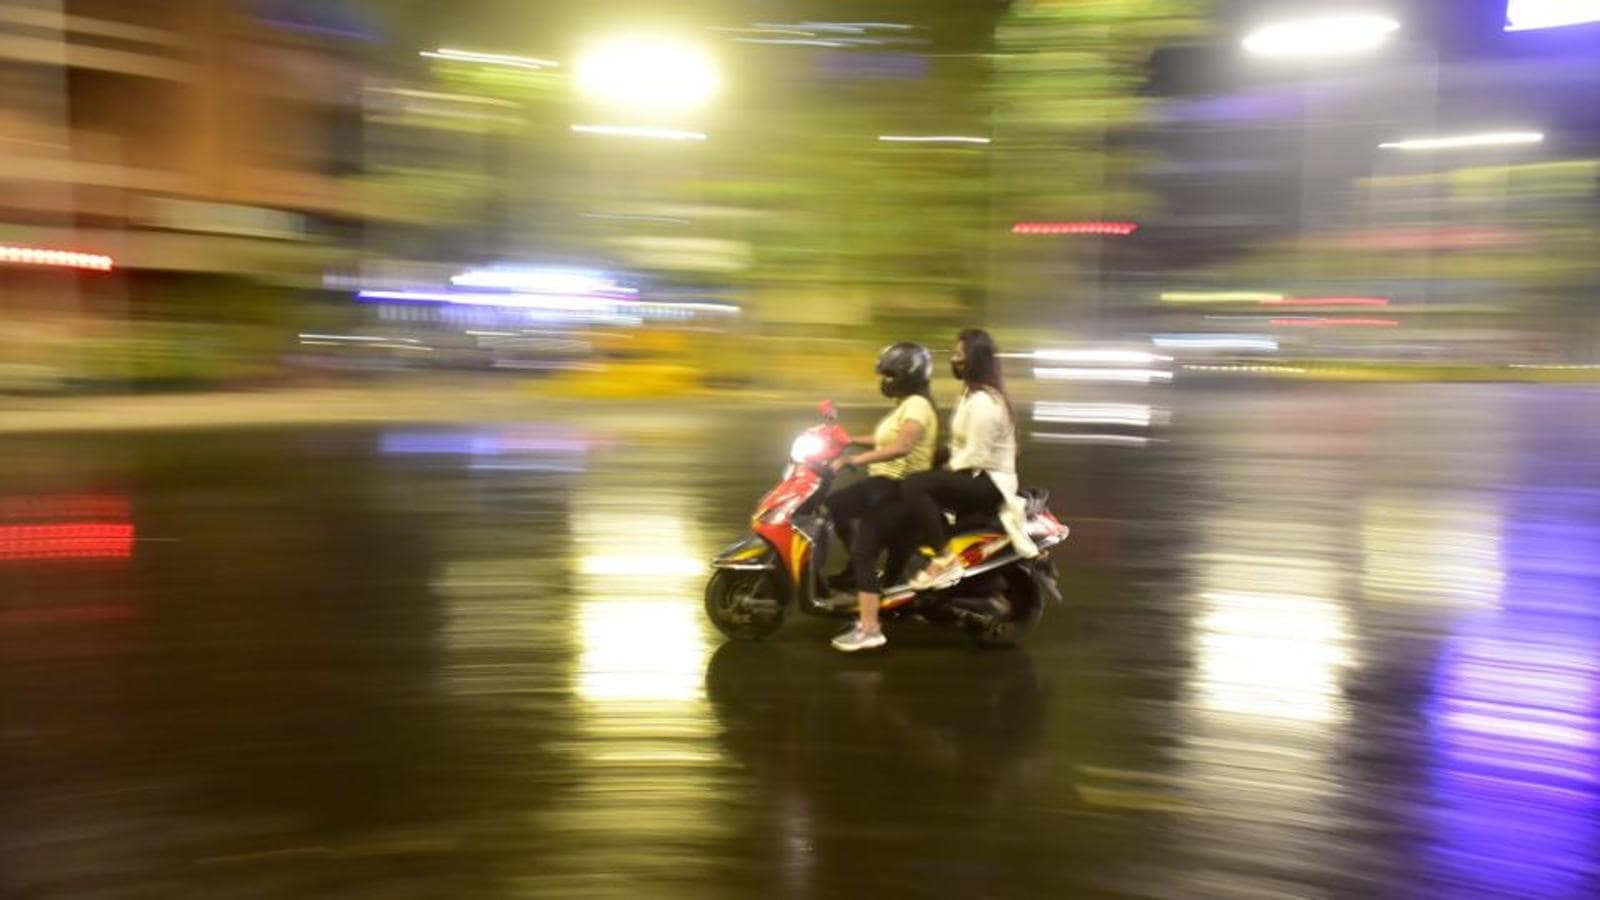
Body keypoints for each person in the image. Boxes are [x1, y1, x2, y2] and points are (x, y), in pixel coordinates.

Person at [825, 342, 939, 652]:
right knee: (834, 504)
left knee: (865, 549)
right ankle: (856, 574)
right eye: (884, 374)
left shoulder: (917, 405)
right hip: (885, 482)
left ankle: (871, 628)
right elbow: (883, 439)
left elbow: (901, 446)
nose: (885, 381)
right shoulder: (906, 404)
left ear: (909, 375)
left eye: (890, 375)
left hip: (902, 489)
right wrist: (847, 441)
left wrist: (853, 460)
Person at [904, 328, 1037, 592]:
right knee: (914, 479)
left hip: (988, 484)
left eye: (958, 355)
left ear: (973, 361)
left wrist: (943, 468)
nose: (953, 360)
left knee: (915, 486)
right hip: (974, 474)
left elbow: (974, 454)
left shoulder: (985, 403)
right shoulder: (970, 395)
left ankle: (945, 560)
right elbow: (957, 445)